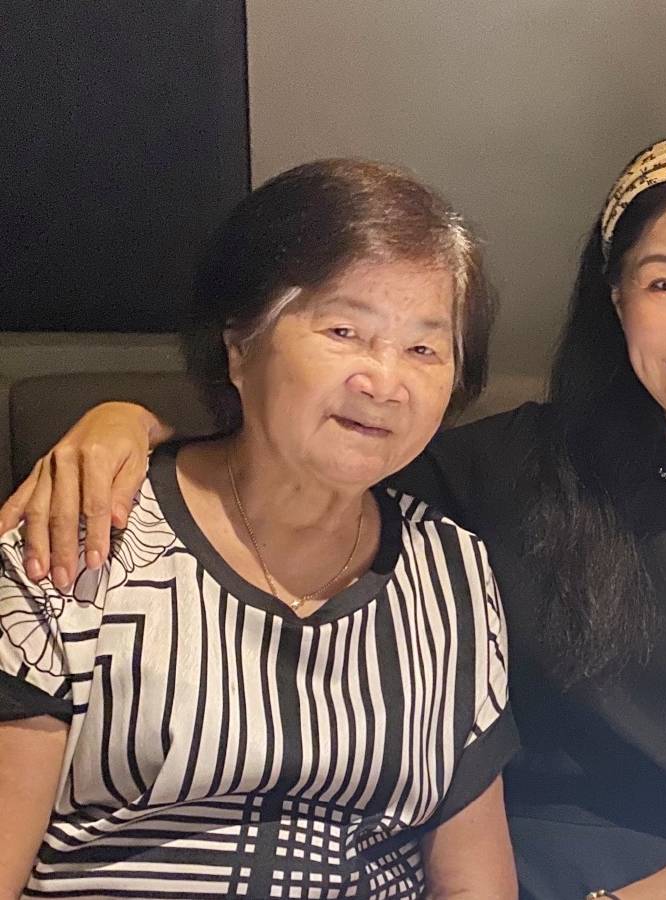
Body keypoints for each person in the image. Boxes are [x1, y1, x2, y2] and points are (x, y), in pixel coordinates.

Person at [4, 131, 666, 900]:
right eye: (665, 284)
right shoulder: (500, 470)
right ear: (618, 299)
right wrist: (126, 424)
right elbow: (299, 460)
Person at [0, 158, 516, 899]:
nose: (384, 381)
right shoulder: (86, 529)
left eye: (424, 349)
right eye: (344, 330)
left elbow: (474, 882)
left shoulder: (452, 569)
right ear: (239, 347)